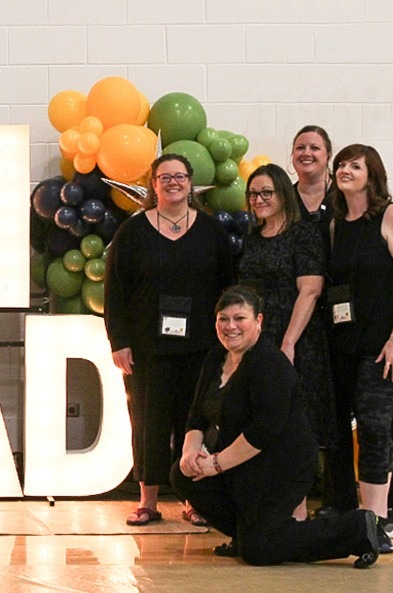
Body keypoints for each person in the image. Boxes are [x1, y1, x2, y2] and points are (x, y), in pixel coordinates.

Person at [170, 286, 381, 568]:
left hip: (282, 466)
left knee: (259, 553)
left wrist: (217, 464)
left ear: (259, 321)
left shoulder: (270, 363)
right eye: (223, 318)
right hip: (241, 462)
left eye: (239, 318)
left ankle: (356, 529)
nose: (230, 326)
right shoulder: (214, 359)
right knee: (182, 475)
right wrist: (190, 454)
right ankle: (246, 535)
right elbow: (197, 415)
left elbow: (264, 431)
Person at [104, 153, 236, 527]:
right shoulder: (132, 232)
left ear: (191, 183)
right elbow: (115, 291)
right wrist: (119, 341)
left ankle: (193, 500)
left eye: (180, 176)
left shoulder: (212, 232)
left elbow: (229, 287)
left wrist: (228, 343)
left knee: (193, 424)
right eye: (165, 177)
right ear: (153, 184)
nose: (173, 182)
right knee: (148, 423)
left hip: (203, 349)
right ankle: (148, 502)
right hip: (147, 350)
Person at [327, 144, 393, 553]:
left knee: (372, 422)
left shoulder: (391, 215)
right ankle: (368, 515)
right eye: (341, 165)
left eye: (355, 165)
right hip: (350, 343)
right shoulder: (335, 224)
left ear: (373, 174)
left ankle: (379, 521)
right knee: (363, 423)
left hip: (390, 345)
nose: (345, 170)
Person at [237, 164, 335, 519]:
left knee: (294, 429)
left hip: (295, 342)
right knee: (262, 425)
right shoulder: (252, 237)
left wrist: (289, 343)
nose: (259, 199)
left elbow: (310, 291)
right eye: (253, 194)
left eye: (266, 192)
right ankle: (267, 513)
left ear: (282, 194)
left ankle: (296, 515)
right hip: (257, 344)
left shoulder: (303, 234)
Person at [290, 125, 334, 229]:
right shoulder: (285, 199)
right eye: (300, 148)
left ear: (329, 155)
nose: (306, 153)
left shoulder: (344, 193)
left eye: (315, 148)